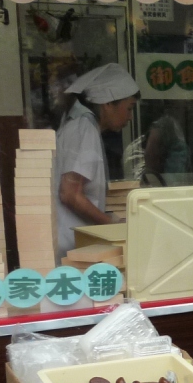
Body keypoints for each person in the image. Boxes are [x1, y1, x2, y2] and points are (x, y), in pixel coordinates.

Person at [54, 63, 138, 263]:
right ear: (108, 104)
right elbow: (70, 194)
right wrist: (112, 226)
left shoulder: (83, 126)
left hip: (74, 243)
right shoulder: (84, 128)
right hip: (70, 244)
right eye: (129, 108)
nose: (130, 117)